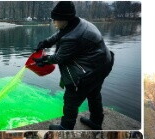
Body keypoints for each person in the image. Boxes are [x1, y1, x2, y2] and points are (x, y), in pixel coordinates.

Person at [34, 1, 114, 130]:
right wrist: (46, 42)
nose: (54, 22)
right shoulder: (77, 23)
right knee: (94, 94)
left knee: (71, 98)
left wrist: (44, 60)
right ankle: (96, 122)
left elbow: (59, 57)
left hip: (91, 70)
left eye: (56, 20)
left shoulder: (73, 37)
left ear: (65, 19)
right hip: (103, 64)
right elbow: (61, 34)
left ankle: (66, 127)